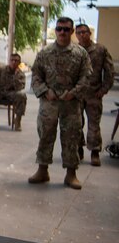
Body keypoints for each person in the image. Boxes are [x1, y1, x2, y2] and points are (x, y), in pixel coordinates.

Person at [29, 17, 91, 190]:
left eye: (66, 29)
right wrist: (44, 91)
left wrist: (74, 93)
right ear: (55, 31)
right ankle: (42, 170)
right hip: (49, 102)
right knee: (45, 135)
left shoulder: (80, 54)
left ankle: (71, 175)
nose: (62, 32)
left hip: (71, 104)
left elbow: (86, 77)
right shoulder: (45, 53)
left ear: (72, 32)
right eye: (59, 29)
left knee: (72, 137)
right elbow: (35, 76)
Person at [75, 24, 114, 166]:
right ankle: (78, 149)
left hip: (93, 94)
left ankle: (95, 152)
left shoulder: (100, 50)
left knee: (94, 125)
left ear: (89, 33)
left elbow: (109, 71)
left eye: (84, 32)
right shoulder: (74, 50)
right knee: (76, 124)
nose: (82, 35)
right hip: (77, 94)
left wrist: (103, 90)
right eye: (78, 33)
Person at [0, 53, 27, 131]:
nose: (13, 62)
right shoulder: (1, 70)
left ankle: (17, 120)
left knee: (22, 96)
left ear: (19, 63)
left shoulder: (20, 74)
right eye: (12, 60)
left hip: (11, 94)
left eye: (16, 61)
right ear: (9, 61)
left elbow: (19, 88)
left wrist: (16, 77)